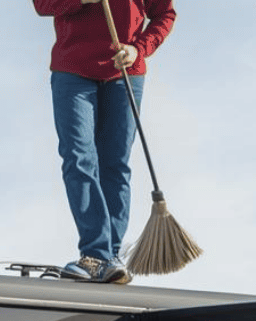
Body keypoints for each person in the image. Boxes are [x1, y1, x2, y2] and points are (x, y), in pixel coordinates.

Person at [34, 0, 178, 284]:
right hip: (72, 69)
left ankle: (108, 257)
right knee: (78, 157)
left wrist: (139, 49)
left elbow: (165, 14)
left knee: (115, 163)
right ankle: (97, 254)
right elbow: (42, 4)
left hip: (124, 71)